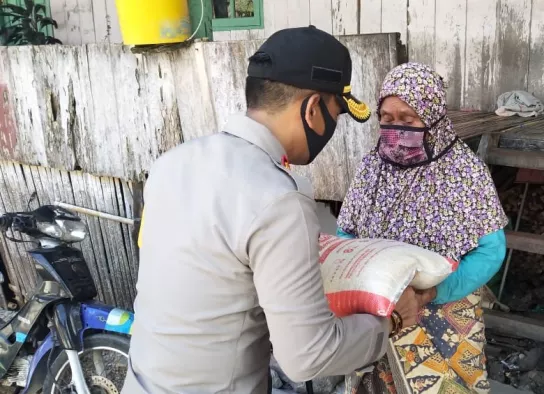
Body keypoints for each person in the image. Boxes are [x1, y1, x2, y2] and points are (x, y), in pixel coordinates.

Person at [122, 26, 421, 394]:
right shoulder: (277, 199)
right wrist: (391, 321)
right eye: (336, 115)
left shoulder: (172, 162)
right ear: (313, 110)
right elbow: (308, 356)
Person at [336, 62, 509, 394]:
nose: (395, 127)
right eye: (387, 119)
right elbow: (347, 234)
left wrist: (433, 292)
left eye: (408, 119)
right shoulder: (373, 167)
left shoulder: (464, 170)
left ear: (433, 118)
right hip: (381, 311)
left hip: (446, 314)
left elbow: (490, 249)